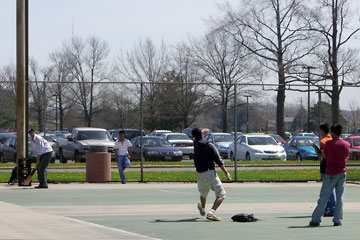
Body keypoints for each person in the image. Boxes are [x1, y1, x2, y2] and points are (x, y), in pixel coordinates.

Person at [309, 124, 350, 227]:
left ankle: (316, 219)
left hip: (330, 173)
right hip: (342, 172)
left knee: (324, 197)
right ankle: (337, 220)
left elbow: (324, 156)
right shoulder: (346, 144)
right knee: (340, 197)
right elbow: (346, 157)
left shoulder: (328, 144)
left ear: (332, 132)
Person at [191, 128, 231, 221]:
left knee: (203, 193)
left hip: (200, 173)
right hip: (210, 173)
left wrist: (204, 130)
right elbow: (219, 161)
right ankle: (211, 212)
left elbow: (198, 133)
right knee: (221, 194)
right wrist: (226, 173)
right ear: (202, 135)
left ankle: (203, 208)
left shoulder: (195, 144)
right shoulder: (210, 146)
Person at [312, 123, 336, 216]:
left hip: (325, 166)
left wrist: (315, 148)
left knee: (327, 189)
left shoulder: (323, 141)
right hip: (333, 165)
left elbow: (322, 155)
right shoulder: (332, 139)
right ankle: (330, 207)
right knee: (331, 188)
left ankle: (331, 208)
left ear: (322, 130)